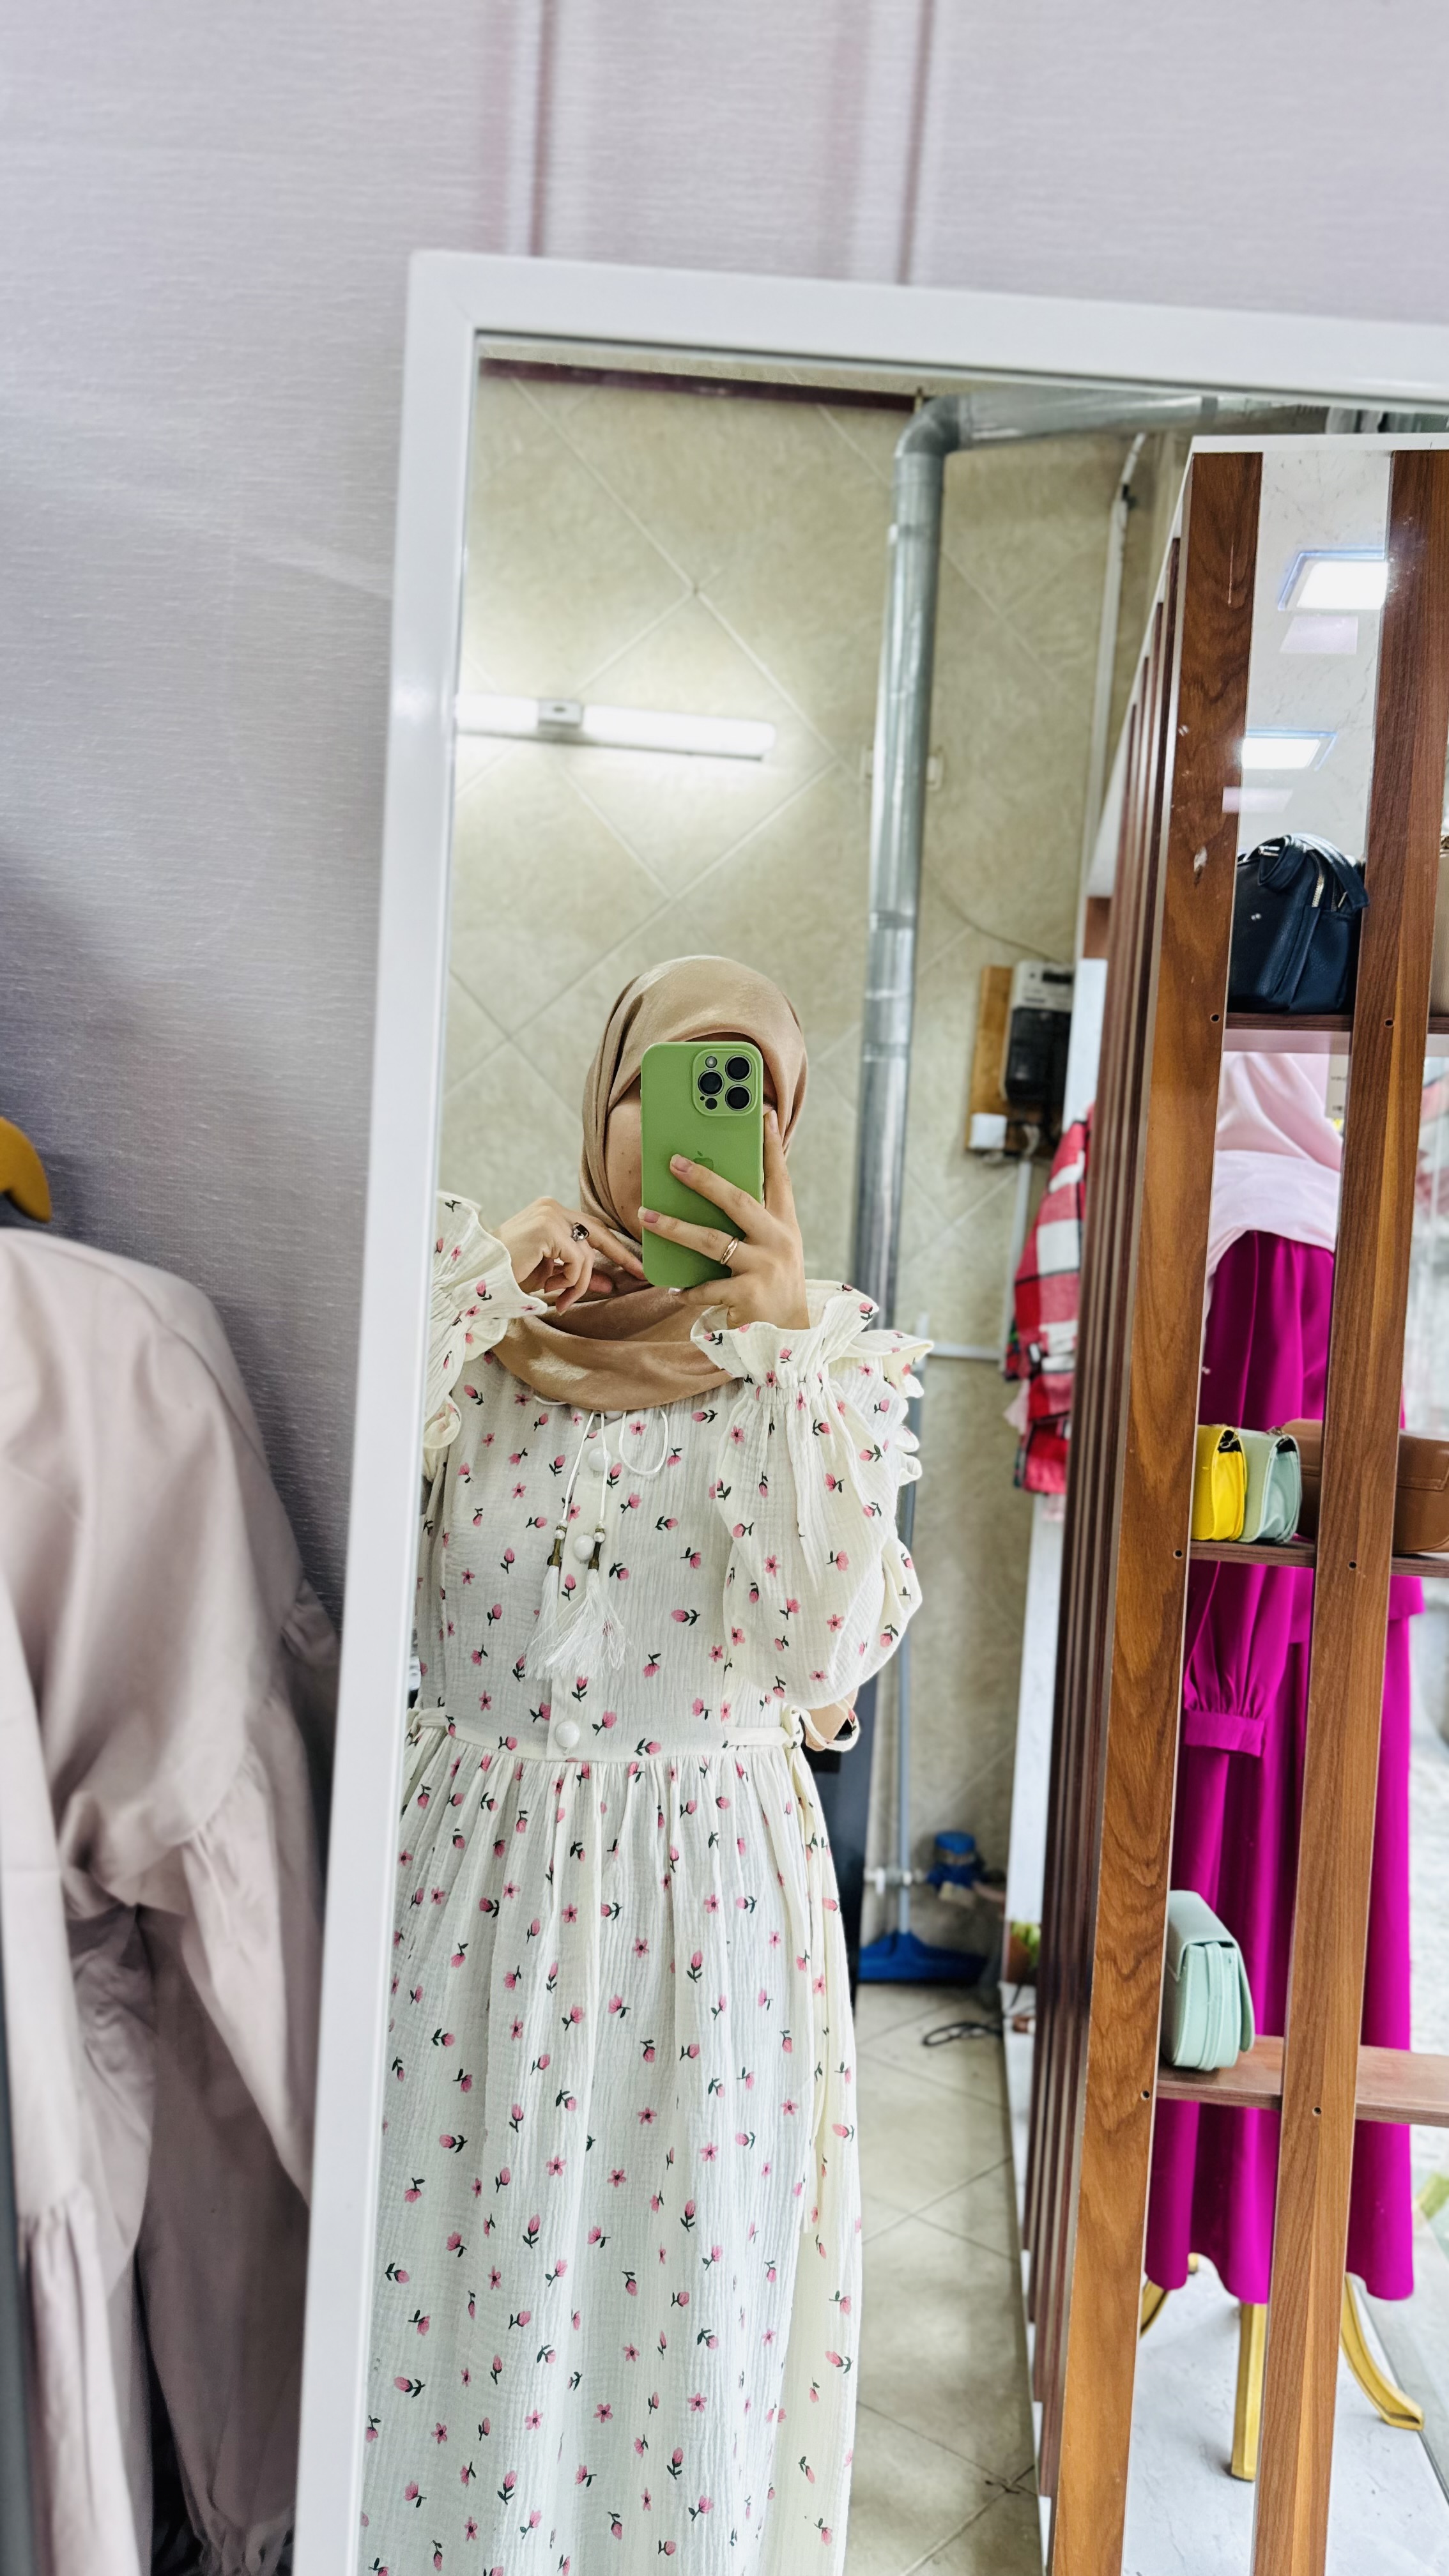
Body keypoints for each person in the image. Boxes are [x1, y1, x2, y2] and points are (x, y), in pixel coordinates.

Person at [362, 957, 927, 2575]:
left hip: (705, 1935)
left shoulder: (820, 1371)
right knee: (443, 2321)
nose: (691, 1135)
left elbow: (827, 1659)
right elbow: (334, 1531)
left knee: (669, 2349)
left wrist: (781, 1353)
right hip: (465, 1918)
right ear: (601, 1102)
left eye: (747, 1101)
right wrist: (478, 1285)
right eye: (659, 1087)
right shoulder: (479, 1343)